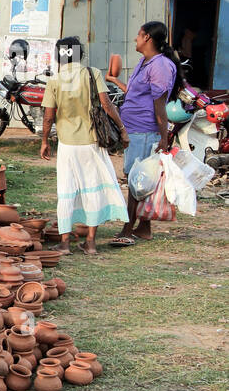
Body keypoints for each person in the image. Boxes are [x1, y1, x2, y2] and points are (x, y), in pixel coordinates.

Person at [39, 37, 129, 255]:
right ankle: (90, 242)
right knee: (92, 189)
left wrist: (43, 141)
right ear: (80, 54)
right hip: (92, 142)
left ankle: (65, 243)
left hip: (67, 145)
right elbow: (107, 105)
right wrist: (122, 129)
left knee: (66, 191)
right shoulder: (92, 74)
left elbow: (49, 116)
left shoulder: (55, 80)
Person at [113, 21, 178, 246]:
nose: (135, 39)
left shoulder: (160, 65)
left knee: (135, 180)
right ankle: (143, 227)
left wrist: (164, 137)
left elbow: (159, 105)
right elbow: (135, 93)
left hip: (145, 130)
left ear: (148, 37)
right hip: (134, 128)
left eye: (139, 35)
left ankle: (128, 228)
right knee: (139, 178)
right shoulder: (144, 62)